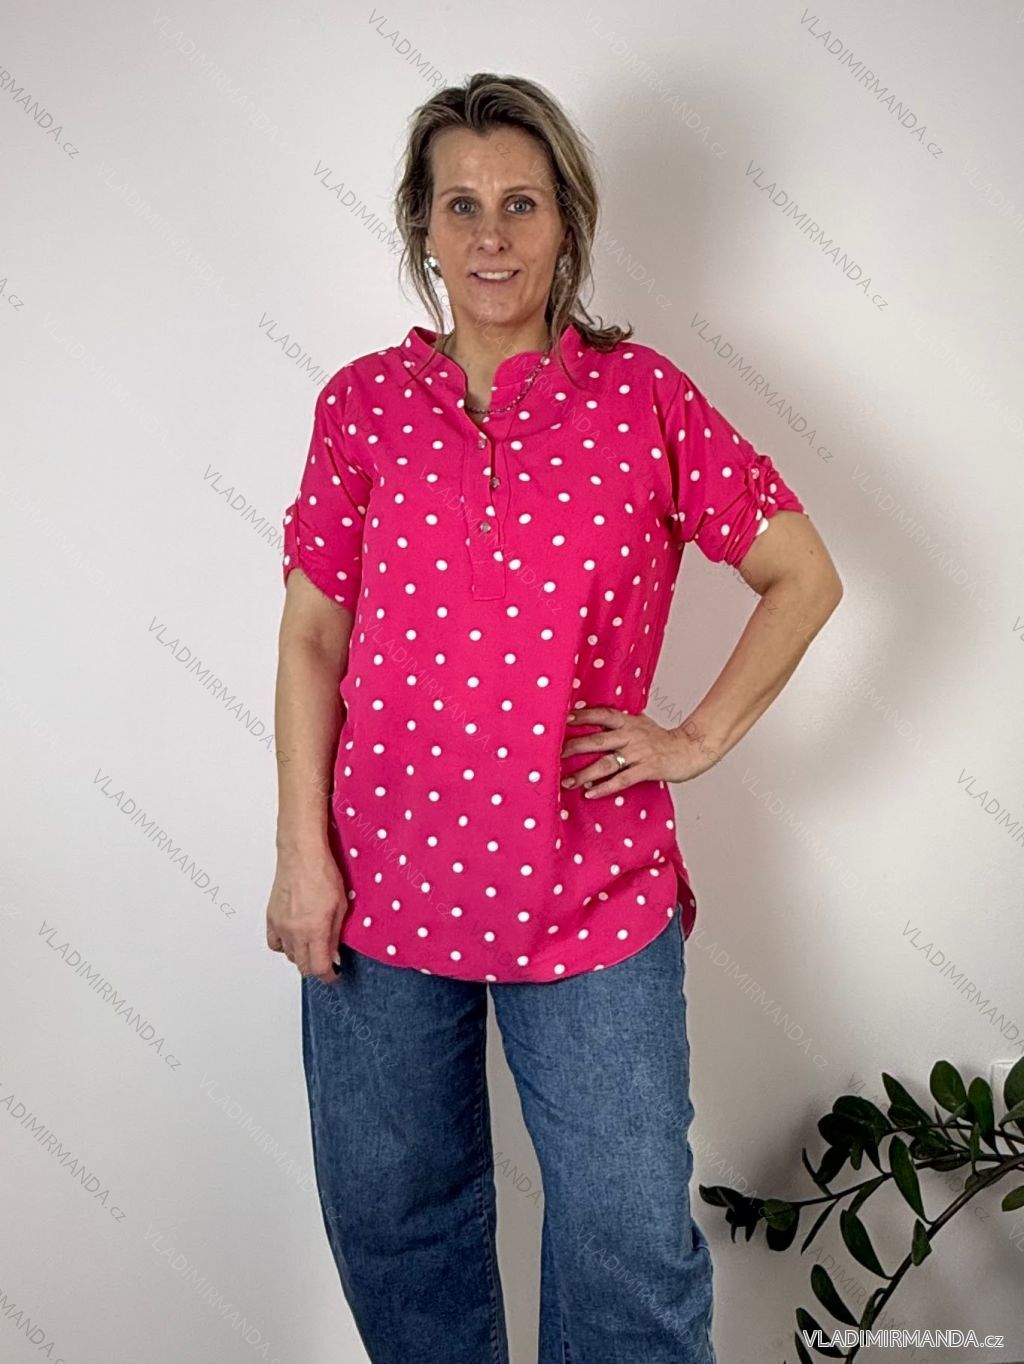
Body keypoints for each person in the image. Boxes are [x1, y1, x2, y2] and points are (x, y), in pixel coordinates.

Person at [267, 72, 842, 1364]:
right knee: (396, 1225)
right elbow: (311, 636)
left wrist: (694, 738)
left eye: (521, 203)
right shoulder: (362, 408)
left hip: (591, 884)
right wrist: (303, 853)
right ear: (421, 226)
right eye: (461, 205)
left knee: (627, 1241)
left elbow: (803, 574)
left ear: (567, 222)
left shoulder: (644, 401)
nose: (491, 235)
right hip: (379, 882)